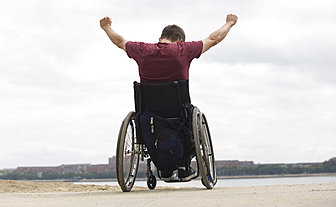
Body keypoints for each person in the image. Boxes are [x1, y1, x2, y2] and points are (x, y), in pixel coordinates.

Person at [100, 14, 238, 181]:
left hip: (149, 113)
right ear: (180, 41)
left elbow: (119, 42)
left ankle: (165, 169)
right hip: (178, 112)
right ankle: (183, 166)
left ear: (160, 39)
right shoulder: (184, 50)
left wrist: (107, 27)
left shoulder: (142, 50)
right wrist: (229, 23)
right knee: (190, 114)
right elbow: (214, 38)